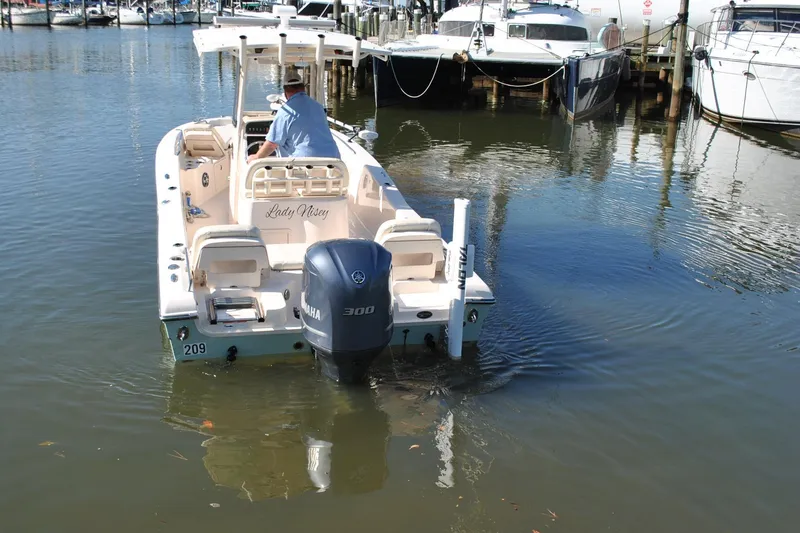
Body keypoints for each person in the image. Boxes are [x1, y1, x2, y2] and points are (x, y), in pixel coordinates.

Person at [247, 69, 340, 162]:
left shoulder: (285, 112)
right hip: (334, 160)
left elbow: (272, 144)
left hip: (306, 164)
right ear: (303, 88)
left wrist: (256, 157)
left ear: (285, 90)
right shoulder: (319, 107)